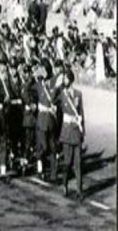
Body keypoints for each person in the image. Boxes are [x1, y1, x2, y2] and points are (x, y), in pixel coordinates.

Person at [58, 69, 85, 201]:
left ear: (71, 79)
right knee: (67, 162)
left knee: (78, 163)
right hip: (67, 132)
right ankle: (64, 184)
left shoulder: (78, 94)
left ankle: (79, 190)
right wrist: (57, 84)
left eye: (66, 78)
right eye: (63, 79)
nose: (64, 81)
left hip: (76, 132)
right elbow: (52, 101)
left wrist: (82, 131)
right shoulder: (62, 94)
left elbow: (81, 113)